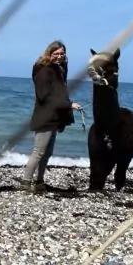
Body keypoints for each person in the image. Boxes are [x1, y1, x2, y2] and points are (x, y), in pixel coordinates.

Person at [21, 40, 81, 192]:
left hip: (55, 117)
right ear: (49, 53)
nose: (59, 56)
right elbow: (44, 96)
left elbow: (58, 92)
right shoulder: (43, 69)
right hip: (44, 117)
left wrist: (69, 103)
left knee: (47, 153)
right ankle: (25, 183)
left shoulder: (58, 69)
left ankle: (39, 182)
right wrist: (68, 105)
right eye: (56, 54)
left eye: (62, 54)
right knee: (39, 151)